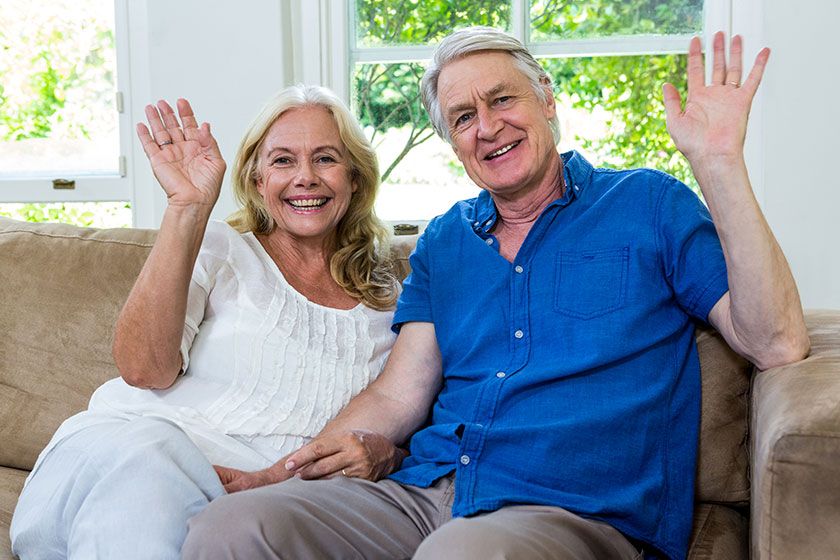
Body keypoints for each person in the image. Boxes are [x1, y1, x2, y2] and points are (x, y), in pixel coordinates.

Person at [181, 27, 810, 560]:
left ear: (548, 101)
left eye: (502, 99)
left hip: (568, 510)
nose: (487, 127)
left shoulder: (648, 204)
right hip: (426, 493)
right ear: (453, 143)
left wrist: (720, 164)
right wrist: (277, 478)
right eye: (462, 117)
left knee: (459, 555)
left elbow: (775, 341)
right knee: (231, 529)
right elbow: (396, 394)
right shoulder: (444, 242)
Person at [9, 85, 405, 559]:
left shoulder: (392, 300)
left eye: (325, 159)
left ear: (356, 178)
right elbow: (144, 370)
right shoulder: (220, 249)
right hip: (125, 456)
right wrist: (187, 209)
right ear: (258, 180)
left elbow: (414, 422)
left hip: (263, 499)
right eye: (282, 161)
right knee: (152, 458)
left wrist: (385, 457)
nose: (305, 177)